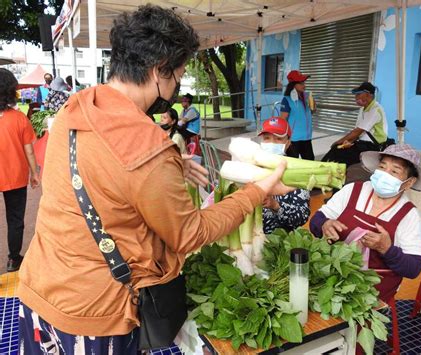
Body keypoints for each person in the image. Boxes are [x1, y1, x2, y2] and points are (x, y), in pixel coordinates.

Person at [17, 5, 291, 354]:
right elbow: (190, 234)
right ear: (158, 70)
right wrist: (257, 191)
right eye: (177, 75)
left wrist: (172, 165)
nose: (177, 85)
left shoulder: (77, 107)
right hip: (92, 316)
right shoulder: (148, 147)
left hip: (39, 288)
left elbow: (108, 173)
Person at [310, 144, 421, 303]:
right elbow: (317, 220)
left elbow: (414, 268)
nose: (385, 174)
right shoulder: (352, 190)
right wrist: (324, 224)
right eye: (382, 167)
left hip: (371, 292)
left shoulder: (409, 216)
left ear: (408, 183)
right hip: (330, 277)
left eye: (394, 171)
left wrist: (386, 249)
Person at [0, 68, 41, 272]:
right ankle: (13, 259)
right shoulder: (19, 119)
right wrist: (35, 174)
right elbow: (30, 152)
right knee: (15, 219)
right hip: (15, 176)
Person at [259, 117, 311, 234]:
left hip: (279, 242)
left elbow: (302, 217)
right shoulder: (249, 168)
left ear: (287, 143)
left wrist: (276, 205)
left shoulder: (297, 175)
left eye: (278, 139)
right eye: (267, 138)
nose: (271, 143)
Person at [322, 82, 388, 167]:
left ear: (368, 95)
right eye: (356, 95)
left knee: (341, 155)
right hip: (362, 143)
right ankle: (323, 167)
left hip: (372, 146)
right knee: (336, 149)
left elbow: (357, 132)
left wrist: (338, 141)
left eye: (358, 94)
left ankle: (340, 174)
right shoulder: (363, 109)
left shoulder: (375, 110)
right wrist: (348, 142)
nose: (356, 98)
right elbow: (357, 131)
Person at [280, 70, 316, 160]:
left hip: (306, 137)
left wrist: (313, 106)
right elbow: (283, 120)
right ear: (293, 85)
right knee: (293, 165)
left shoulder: (307, 96)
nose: (304, 85)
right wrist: (285, 138)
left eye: (304, 82)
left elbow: (312, 112)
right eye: (301, 83)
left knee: (310, 163)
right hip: (293, 139)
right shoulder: (287, 99)